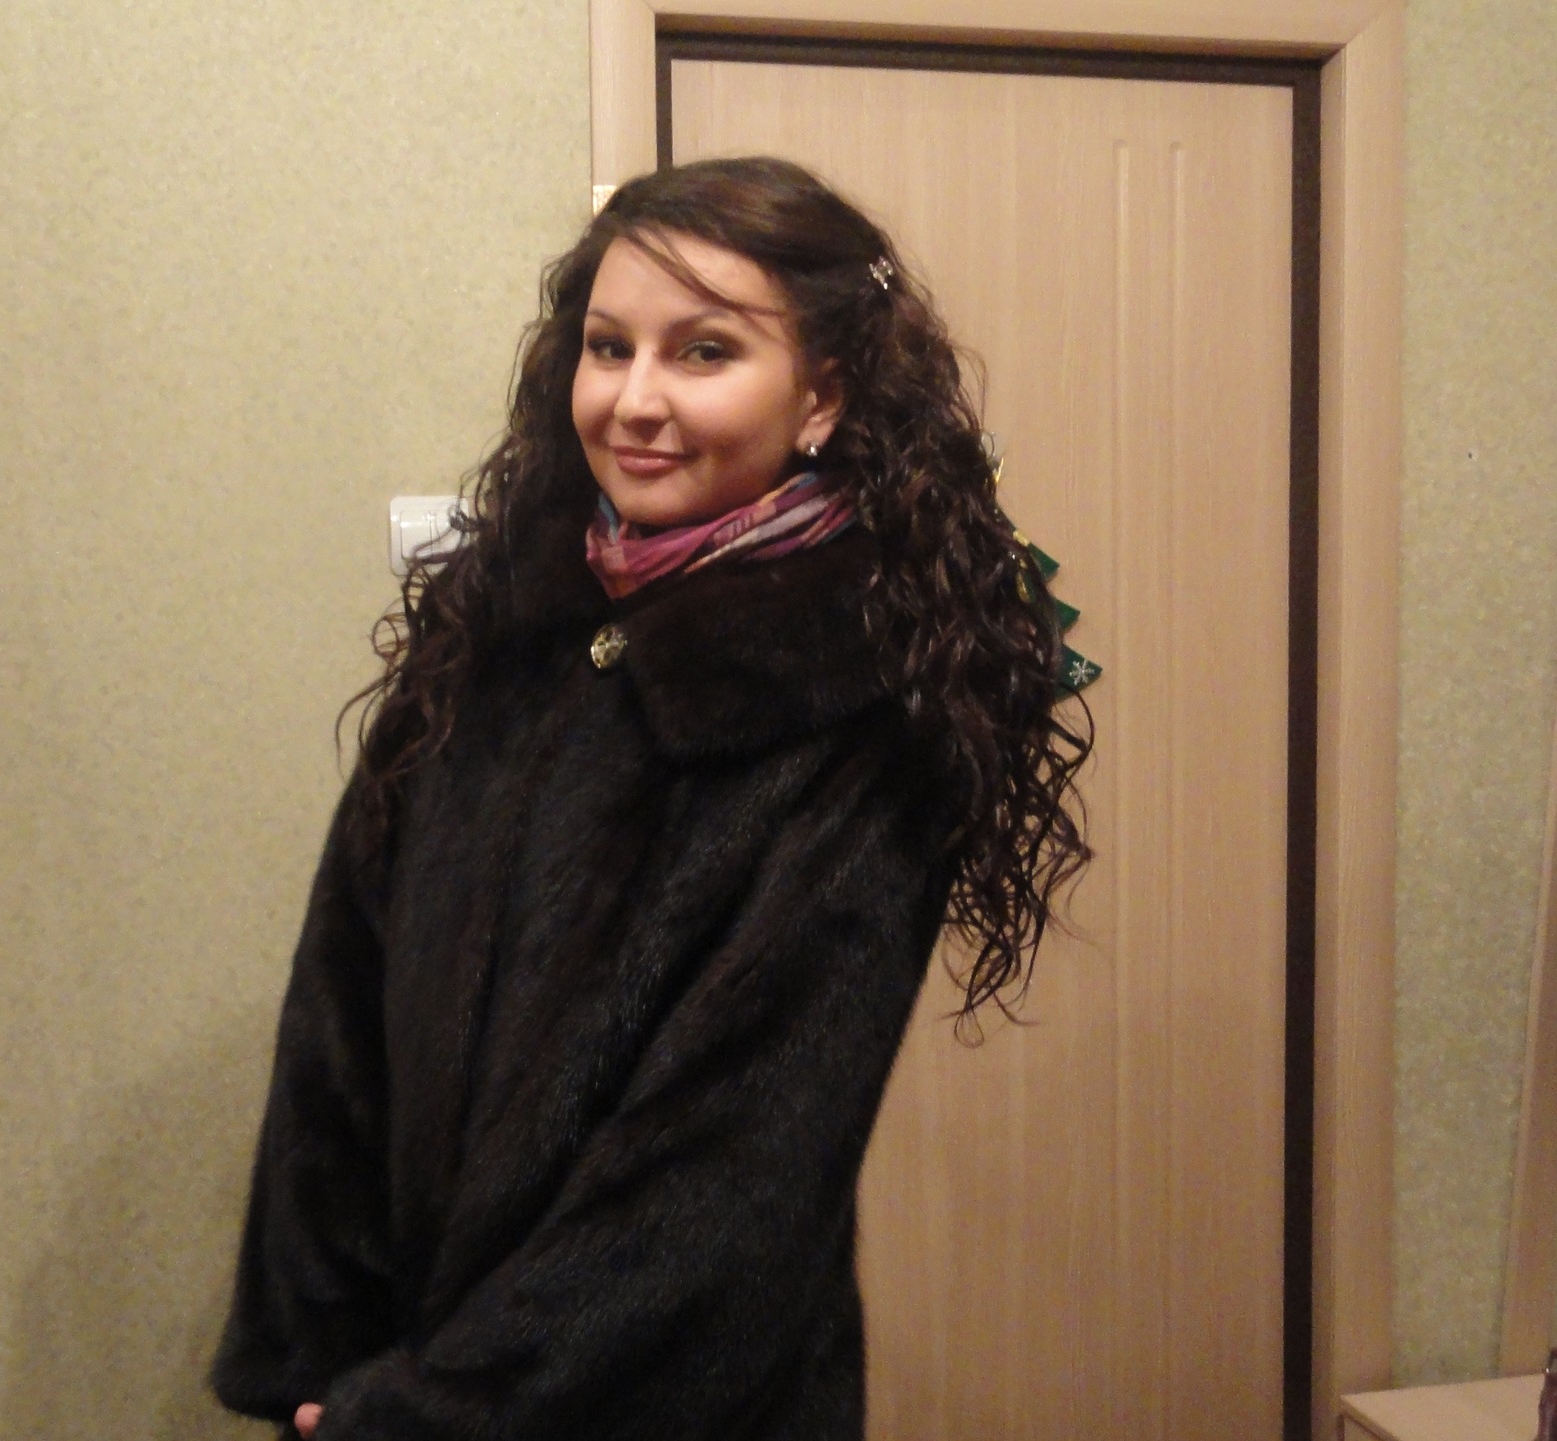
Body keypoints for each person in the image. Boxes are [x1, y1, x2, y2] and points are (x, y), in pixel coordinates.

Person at [210, 156, 1089, 1441]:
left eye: (704, 351)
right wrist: (320, 1346)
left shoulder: (856, 705)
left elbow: (726, 1179)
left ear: (822, 395)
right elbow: (341, 995)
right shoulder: (498, 626)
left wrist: (434, 1413)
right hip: (391, 1376)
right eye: (608, 346)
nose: (633, 400)